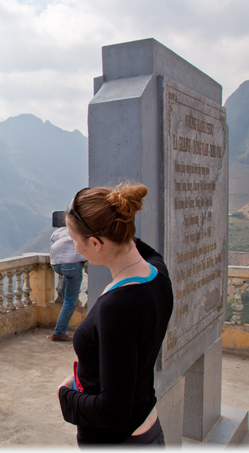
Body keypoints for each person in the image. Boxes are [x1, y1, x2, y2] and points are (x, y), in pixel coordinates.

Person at [57, 182, 174, 446]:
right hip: (146, 426)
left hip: (118, 440)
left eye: (76, 241)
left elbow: (113, 412)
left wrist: (65, 393)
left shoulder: (117, 309)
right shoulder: (157, 273)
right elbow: (134, 244)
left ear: (96, 243)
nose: (76, 248)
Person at [50, 227, 87, 341]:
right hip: (72, 264)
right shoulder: (85, 230)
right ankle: (59, 332)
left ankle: (59, 330)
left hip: (56, 264)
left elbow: (52, 239)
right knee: (70, 301)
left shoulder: (61, 230)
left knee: (66, 298)